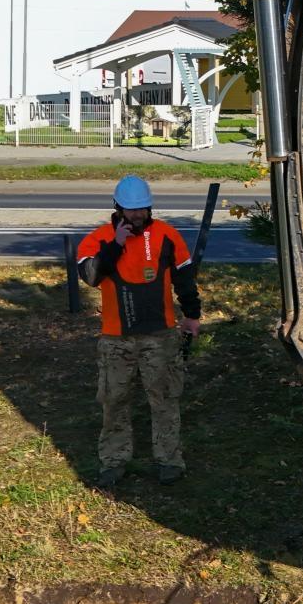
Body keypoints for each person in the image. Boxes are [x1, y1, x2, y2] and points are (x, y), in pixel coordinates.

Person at [77, 175, 200, 487]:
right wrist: (115, 246)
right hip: (115, 338)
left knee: (165, 400)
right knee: (114, 400)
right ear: (117, 207)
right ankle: (114, 461)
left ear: (149, 207)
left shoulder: (167, 236)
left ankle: (170, 460)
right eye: (130, 210)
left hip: (160, 336)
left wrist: (192, 316)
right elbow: (90, 277)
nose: (136, 216)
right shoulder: (97, 240)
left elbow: (184, 279)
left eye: (142, 209)